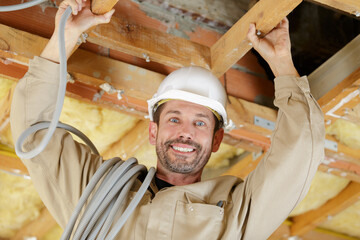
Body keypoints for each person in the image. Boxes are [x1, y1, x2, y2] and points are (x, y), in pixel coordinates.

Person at [10, 0, 325, 239]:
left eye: (200, 122)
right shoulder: (95, 195)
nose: (185, 132)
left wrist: (282, 64)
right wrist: (63, 38)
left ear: (216, 140)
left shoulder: (234, 213)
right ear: (153, 130)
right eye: (174, 118)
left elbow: (297, 158)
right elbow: (33, 136)